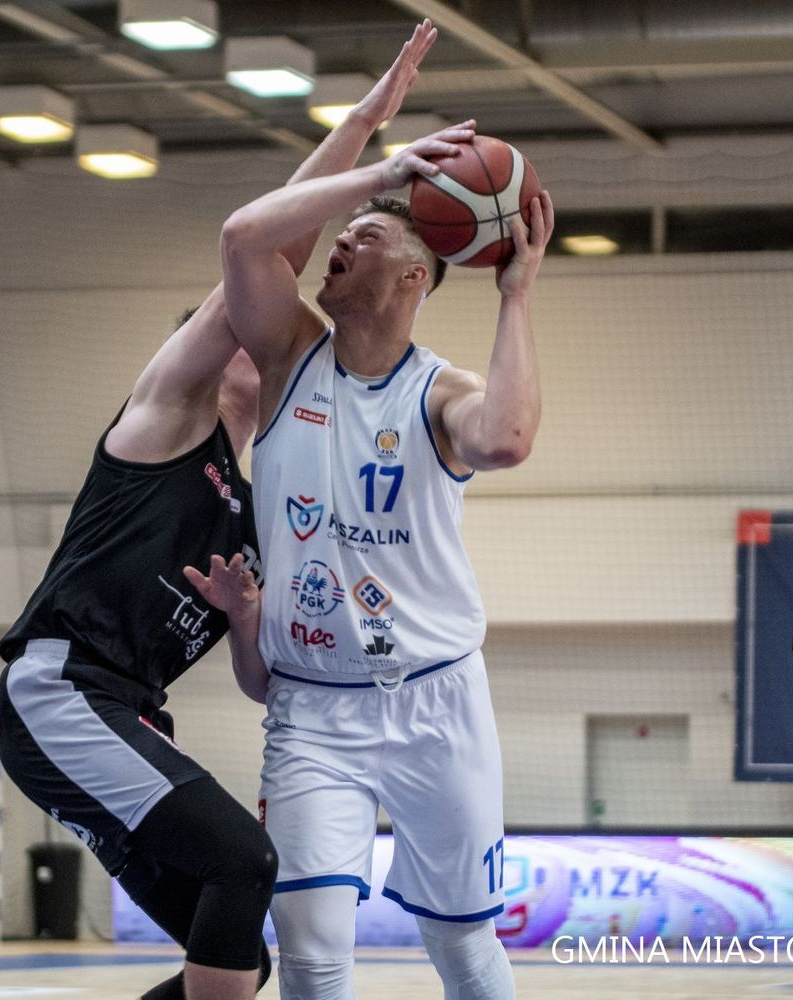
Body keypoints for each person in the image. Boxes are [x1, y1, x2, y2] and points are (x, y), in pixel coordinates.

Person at [0, 25, 440, 1000]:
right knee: (244, 861)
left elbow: (258, 681)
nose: (255, 325)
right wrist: (366, 131)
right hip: (62, 692)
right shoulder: (162, 419)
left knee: (237, 940)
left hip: (127, 713)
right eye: (236, 321)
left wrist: (245, 618)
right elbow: (264, 242)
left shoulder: (254, 510)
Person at [217, 105, 551, 995]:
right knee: (311, 945)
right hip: (312, 708)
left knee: (463, 945)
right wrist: (377, 171)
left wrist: (515, 294)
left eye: (362, 237)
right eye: (343, 233)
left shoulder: (441, 392)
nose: (337, 241)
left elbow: (508, 439)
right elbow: (244, 238)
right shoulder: (287, 357)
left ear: (412, 275)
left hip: (437, 700)